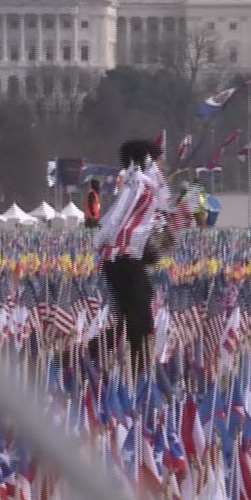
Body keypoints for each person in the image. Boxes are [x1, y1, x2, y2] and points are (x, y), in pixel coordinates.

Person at [93, 139, 170, 372]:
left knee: (130, 317)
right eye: (158, 158)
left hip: (125, 259)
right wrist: (101, 241)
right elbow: (116, 217)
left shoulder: (143, 185)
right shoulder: (137, 184)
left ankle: (96, 357)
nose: (161, 163)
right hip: (122, 259)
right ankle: (136, 370)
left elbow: (150, 221)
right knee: (138, 318)